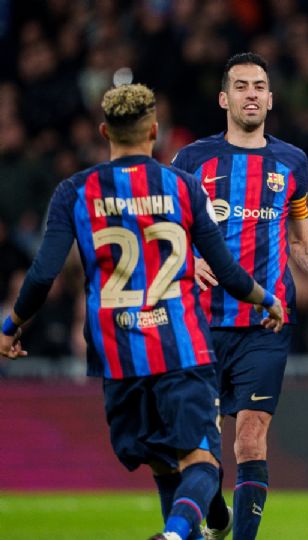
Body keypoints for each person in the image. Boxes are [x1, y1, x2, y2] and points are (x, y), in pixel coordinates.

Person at [0, 83, 284, 540]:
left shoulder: (75, 191)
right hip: (181, 349)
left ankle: (185, 527)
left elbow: (41, 275)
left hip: (119, 355)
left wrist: (10, 326)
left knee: (162, 462)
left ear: (103, 131)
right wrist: (265, 299)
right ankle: (175, 535)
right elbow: (228, 272)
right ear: (155, 130)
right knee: (203, 463)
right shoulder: (182, 186)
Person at [171, 52, 308, 540]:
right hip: (200, 322)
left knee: (250, 438)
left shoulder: (291, 162)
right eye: (241, 85)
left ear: (271, 98)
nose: (251, 93)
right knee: (199, 445)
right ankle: (214, 519)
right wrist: (191, 259)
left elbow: (300, 240)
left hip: (265, 324)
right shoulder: (191, 160)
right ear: (223, 97)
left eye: (259, 86)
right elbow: (165, 233)